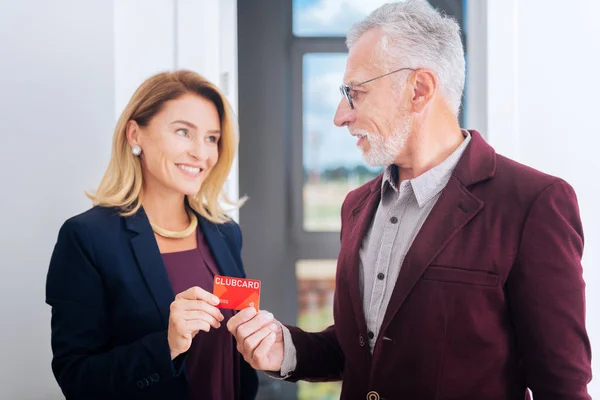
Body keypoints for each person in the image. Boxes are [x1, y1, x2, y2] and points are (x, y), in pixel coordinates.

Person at [227, 1, 592, 399]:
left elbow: (562, 387)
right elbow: (363, 348)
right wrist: (287, 349)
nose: (339, 116)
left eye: (356, 93)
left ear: (419, 90)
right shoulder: (357, 205)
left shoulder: (532, 203)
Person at [46, 70, 258, 400]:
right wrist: (168, 344)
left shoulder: (225, 233)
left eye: (211, 138)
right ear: (135, 134)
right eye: (183, 132)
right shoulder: (86, 238)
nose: (201, 153)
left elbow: (234, 360)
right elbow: (77, 378)